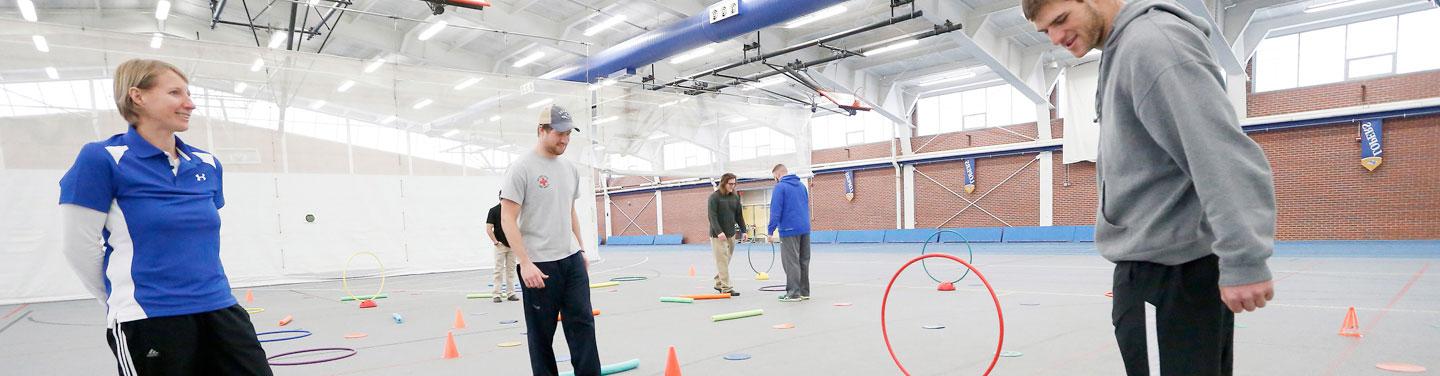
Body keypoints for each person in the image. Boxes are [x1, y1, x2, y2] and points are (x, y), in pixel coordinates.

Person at [1023, 0, 1276, 374]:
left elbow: (1217, 150)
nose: (1057, 38)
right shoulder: (1121, 49)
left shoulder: (1152, 44)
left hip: (1171, 275)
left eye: (1061, 20)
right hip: (1157, 267)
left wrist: (1243, 258)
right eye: (1046, 32)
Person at [58, 59, 271, 376]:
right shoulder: (101, 159)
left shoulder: (206, 163)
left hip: (219, 308)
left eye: (188, 93)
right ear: (137, 96)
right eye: (175, 93)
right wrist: (120, 300)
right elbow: (78, 247)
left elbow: (197, 239)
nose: (190, 104)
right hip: (149, 316)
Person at [498, 104, 600, 376]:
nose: (565, 139)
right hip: (540, 267)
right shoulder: (521, 168)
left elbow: (570, 211)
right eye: (559, 133)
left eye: (569, 133)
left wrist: (581, 249)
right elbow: (507, 218)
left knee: (583, 326)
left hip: (571, 261)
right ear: (541, 131)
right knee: (541, 336)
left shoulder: (569, 168)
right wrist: (525, 263)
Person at [765, 164, 812, 303]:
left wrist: (770, 231)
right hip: (804, 228)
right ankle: (804, 292)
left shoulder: (780, 187)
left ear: (777, 175)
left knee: (791, 262)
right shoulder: (802, 186)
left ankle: (793, 294)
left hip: (788, 230)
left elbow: (775, 210)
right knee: (803, 261)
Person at [707, 173, 746, 296]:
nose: (732, 186)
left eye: (734, 184)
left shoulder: (734, 197)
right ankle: (726, 288)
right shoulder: (714, 197)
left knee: (726, 259)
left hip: (731, 234)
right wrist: (719, 232)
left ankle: (718, 282)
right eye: (730, 184)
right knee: (722, 260)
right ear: (723, 183)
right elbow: (712, 217)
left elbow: (739, 215)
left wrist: (744, 231)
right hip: (717, 235)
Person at [486, 192, 520, 303]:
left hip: (512, 245)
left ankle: (511, 293)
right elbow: (489, 229)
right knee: (498, 270)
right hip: (500, 245)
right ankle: (496, 294)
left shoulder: (513, 211)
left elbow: (517, 225)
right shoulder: (494, 210)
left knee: (511, 270)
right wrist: (496, 242)